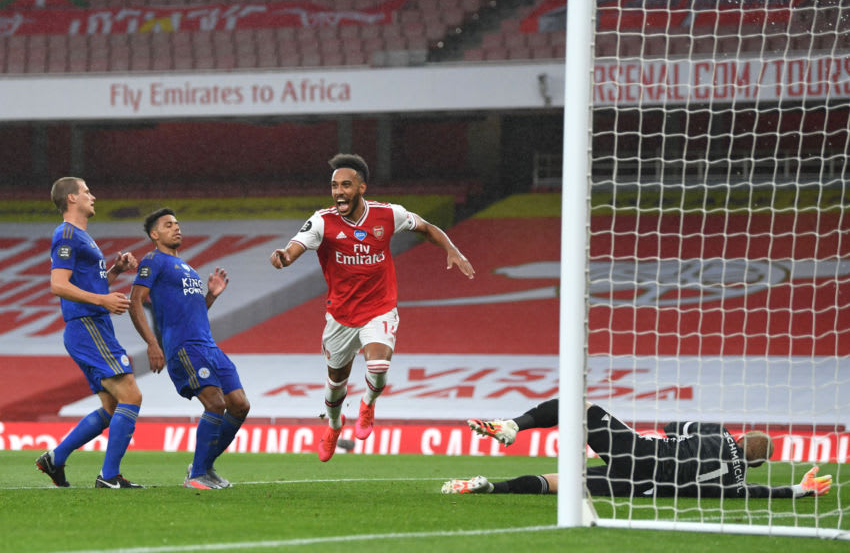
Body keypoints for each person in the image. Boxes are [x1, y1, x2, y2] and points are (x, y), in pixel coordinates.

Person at [269, 154, 475, 462]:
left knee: (378, 368)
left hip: (380, 308)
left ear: (361, 187)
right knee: (335, 384)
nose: (339, 192)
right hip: (340, 316)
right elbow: (295, 247)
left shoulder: (389, 214)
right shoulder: (322, 221)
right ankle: (334, 426)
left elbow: (426, 227)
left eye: (346, 185)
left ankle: (367, 404)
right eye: (334, 186)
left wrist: (452, 249)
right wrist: (284, 257)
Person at [443, 399, 832, 498]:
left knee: (580, 406)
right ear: (757, 464)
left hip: (640, 453)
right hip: (641, 486)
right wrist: (799, 490)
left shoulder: (721, 433)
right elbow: (762, 493)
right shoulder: (737, 484)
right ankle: (492, 488)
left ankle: (513, 426)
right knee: (562, 483)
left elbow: (672, 428)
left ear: (743, 437)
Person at [128, 208, 250, 489]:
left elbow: (193, 314)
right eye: (168, 225)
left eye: (177, 223)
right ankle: (197, 475)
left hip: (208, 345)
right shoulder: (153, 260)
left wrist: (211, 296)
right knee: (215, 404)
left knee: (240, 405)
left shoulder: (187, 269)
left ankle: (202, 466)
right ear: (154, 234)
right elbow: (135, 301)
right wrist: (152, 343)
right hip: (184, 346)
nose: (176, 228)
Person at [36, 176, 143, 489]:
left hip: (91, 325)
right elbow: (58, 284)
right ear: (71, 198)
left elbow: (89, 285)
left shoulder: (82, 237)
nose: (92, 196)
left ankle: (55, 458)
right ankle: (109, 477)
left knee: (112, 407)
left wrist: (116, 271)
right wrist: (102, 301)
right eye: (86, 191)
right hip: (87, 325)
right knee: (131, 395)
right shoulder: (67, 234)